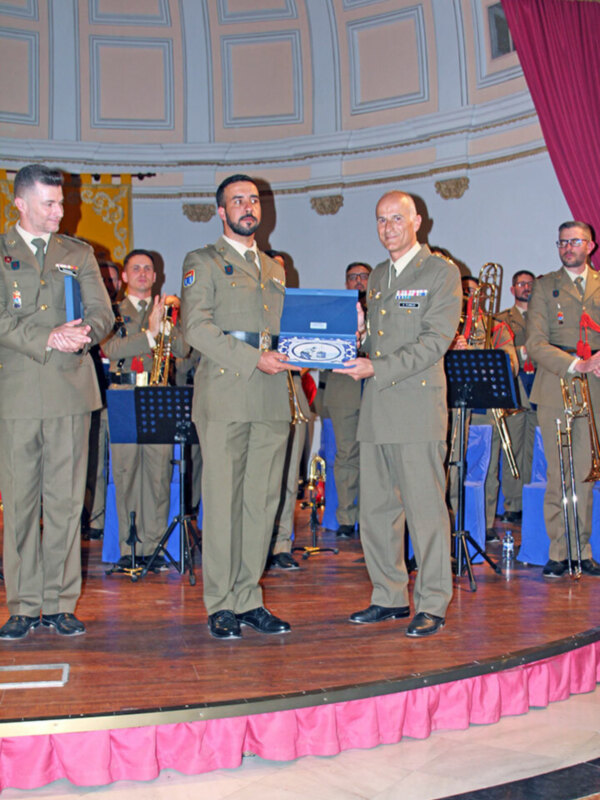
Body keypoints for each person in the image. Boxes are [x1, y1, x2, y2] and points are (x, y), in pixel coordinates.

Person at [338, 190, 461, 637]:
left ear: (417, 221)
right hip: (376, 406)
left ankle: (432, 602)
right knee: (376, 512)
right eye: (380, 220)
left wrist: (377, 365)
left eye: (396, 218)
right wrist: (356, 337)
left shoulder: (441, 272)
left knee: (425, 510)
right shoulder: (376, 278)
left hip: (415, 406)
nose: (388, 227)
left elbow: (434, 342)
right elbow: (379, 339)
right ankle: (388, 596)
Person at [0, 164, 114, 640]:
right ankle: (24, 604)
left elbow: (103, 314)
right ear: (20, 204)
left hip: (70, 390)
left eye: (61, 202)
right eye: (48, 203)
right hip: (19, 393)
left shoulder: (78, 253)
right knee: (22, 503)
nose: (58, 211)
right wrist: (46, 336)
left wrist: (80, 335)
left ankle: (61, 601)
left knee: (67, 503)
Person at [180, 174, 294, 639]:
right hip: (226, 394)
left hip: (270, 397)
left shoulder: (276, 268)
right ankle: (220, 603)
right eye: (237, 201)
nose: (248, 206)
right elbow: (196, 328)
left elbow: (288, 328)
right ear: (221, 212)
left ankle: (248, 598)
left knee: (261, 503)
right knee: (224, 501)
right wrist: (253, 359)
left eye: (253, 199)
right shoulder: (203, 261)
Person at [102, 249, 188, 567]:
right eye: (135, 268)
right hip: (124, 392)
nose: (142, 273)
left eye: (148, 269)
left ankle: (154, 544)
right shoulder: (112, 312)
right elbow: (110, 347)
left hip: (158, 394)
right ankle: (129, 548)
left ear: (155, 277)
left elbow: (183, 348)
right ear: (124, 276)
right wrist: (148, 334)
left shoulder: (166, 312)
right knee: (125, 473)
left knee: (158, 472)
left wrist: (166, 325)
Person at [526, 221, 600, 578]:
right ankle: (559, 551)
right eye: (562, 242)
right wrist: (576, 363)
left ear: (591, 245)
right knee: (558, 473)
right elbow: (536, 342)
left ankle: (582, 550)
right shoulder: (543, 286)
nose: (567, 247)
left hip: (596, 383)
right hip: (557, 381)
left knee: (586, 473)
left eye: (575, 241)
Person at [317, 262, 371, 539]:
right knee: (347, 454)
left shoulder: (382, 311)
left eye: (363, 276)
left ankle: (372, 517)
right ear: (346, 282)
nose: (359, 281)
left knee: (375, 457)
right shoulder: (334, 311)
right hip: (344, 390)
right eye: (353, 277)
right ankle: (347, 517)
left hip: (376, 388)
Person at [82, 259, 122, 540]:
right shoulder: (89, 314)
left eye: (113, 280)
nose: (109, 285)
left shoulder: (123, 314)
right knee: (95, 463)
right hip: (95, 396)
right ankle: (95, 520)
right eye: (104, 280)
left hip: (120, 395)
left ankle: (115, 521)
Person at [494, 270, 538, 523]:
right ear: (512, 290)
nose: (526, 288)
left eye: (530, 284)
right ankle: (513, 503)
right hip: (516, 387)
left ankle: (533, 501)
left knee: (535, 450)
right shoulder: (500, 319)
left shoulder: (545, 317)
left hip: (540, 386)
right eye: (521, 284)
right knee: (513, 448)